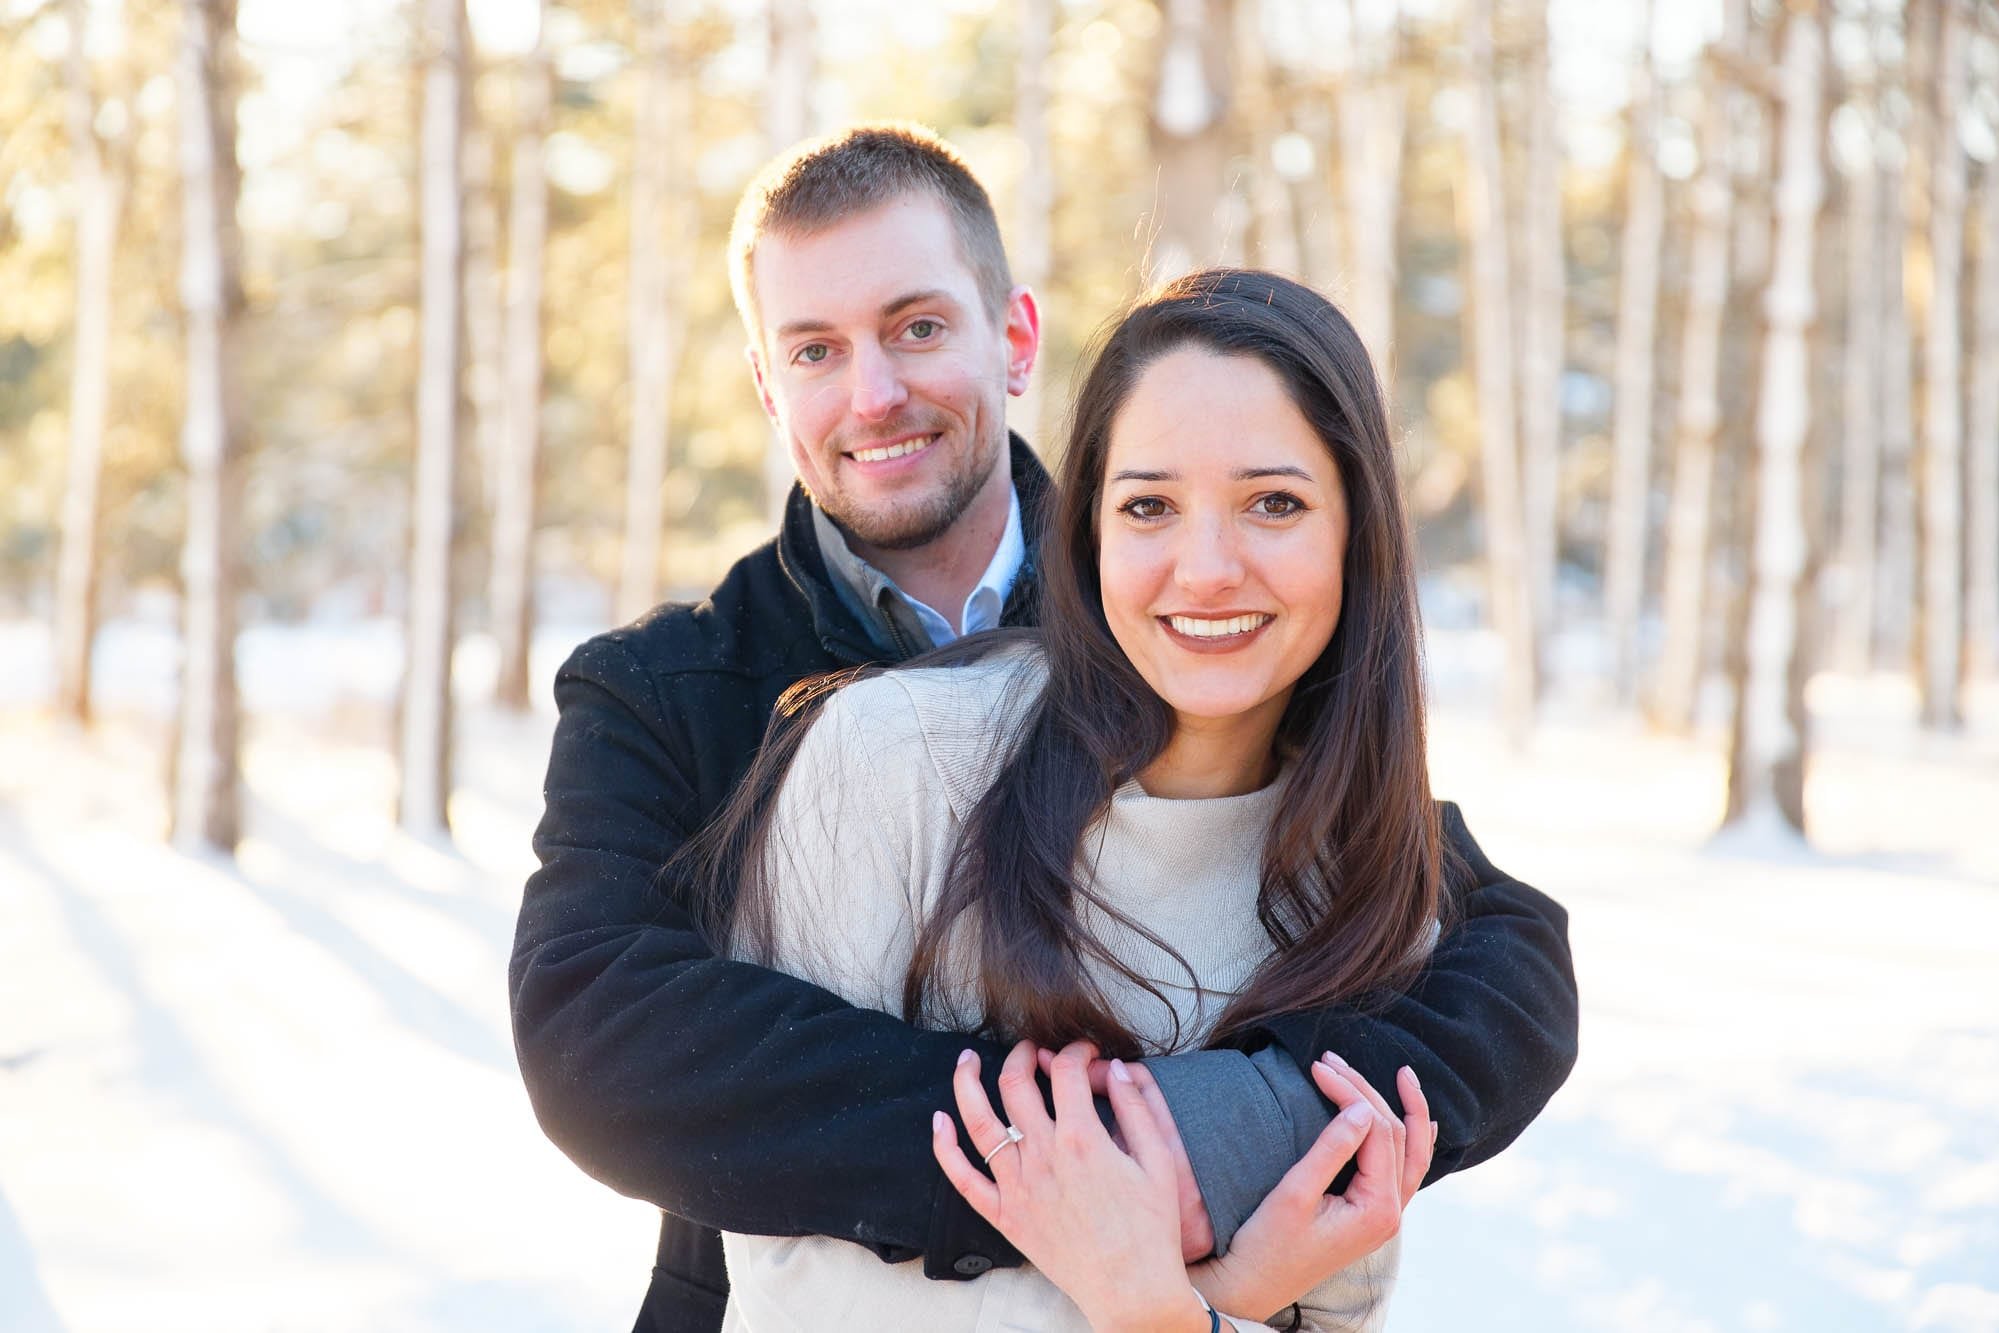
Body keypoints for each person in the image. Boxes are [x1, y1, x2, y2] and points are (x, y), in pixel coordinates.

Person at [509, 123, 1578, 1333]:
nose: (874, 393)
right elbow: (599, 1032)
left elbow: (1493, 945)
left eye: (917, 327)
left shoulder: (1168, 589)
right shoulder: (668, 687)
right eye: (814, 350)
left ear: (1012, 339)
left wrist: (1234, 1130)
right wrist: (1093, 1169)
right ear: (768, 386)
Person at [692, 266, 1459, 1331]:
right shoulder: (888, 756)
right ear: (1088, 532)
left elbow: (1338, 1301)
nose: (1203, 568)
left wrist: (1165, 1308)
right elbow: (788, 1273)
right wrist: (1195, 1301)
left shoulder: (1371, 885)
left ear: (1355, 531)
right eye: (1148, 505)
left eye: (1272, 502)